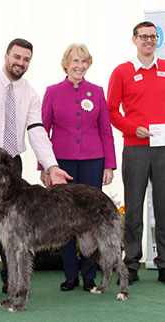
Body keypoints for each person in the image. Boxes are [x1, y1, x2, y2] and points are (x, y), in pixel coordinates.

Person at [0, 38, 72, 299]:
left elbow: (36, 131)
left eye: (26, 59)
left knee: (12, 224)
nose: (20, 63)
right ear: (6, 55)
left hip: (10, 163)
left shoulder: (30, 94)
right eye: (17, 57)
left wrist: (51, 165)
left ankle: (12, 279)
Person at [39, 43, 116, 292]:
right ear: (66, 64)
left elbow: (106, 131)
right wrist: (44, 166)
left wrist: (109, 165)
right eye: (75, 61)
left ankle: (90, 275)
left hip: (93, 162)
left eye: (84, 61)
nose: (79, 66)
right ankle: (70, 275)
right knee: (64, 220)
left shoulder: (97, 91)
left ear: (88, 64)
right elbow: (42, 131)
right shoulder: (52, 92)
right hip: (62, 163)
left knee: (90, 219)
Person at [107, 21, 165, 285]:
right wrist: (133, 128)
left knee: (164, 208)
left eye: (153, 36)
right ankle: (130, 265)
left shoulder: (164, 68)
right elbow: (111, 111)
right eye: (143, 36)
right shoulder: (122, 71)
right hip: (135, 148)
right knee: (133, 209)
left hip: (163, 148)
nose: (148, 41)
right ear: (134, 39)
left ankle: (163, 264)